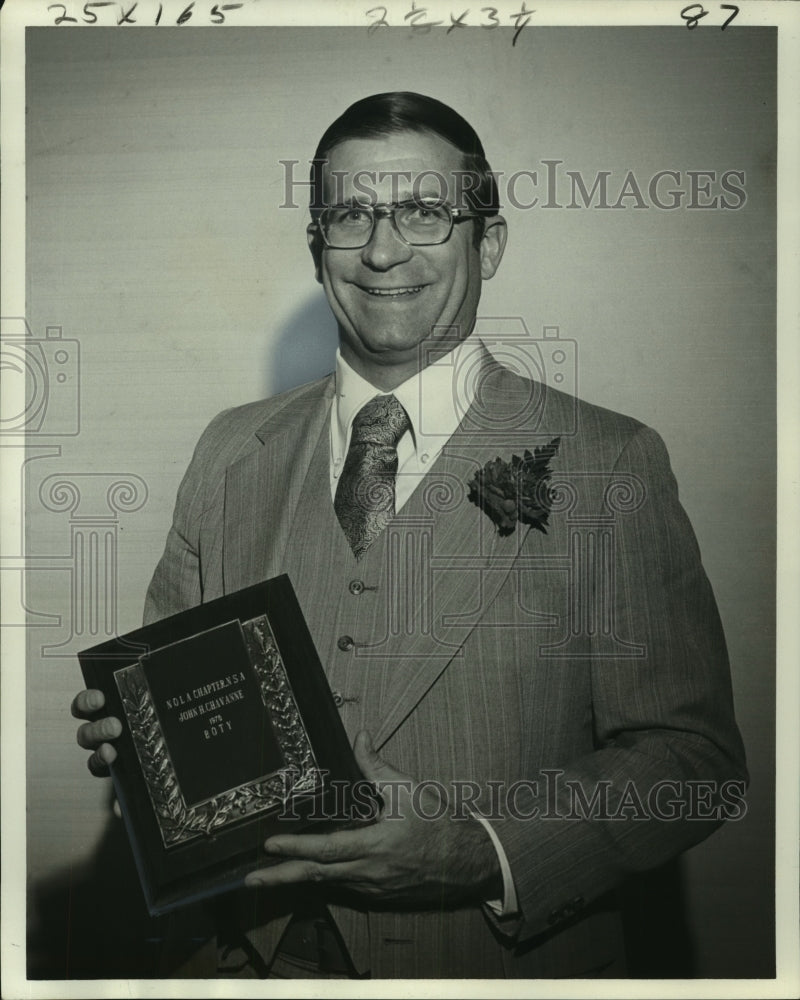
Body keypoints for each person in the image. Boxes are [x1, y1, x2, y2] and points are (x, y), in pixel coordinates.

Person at [72, 91, 747, 979]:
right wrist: (145, 761)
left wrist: (480, 850)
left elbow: (693, 764)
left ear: (488, 243)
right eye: (350, 214)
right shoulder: (230, 450)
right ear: (317, 250)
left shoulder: (610, 461)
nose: (383, 250)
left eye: (424, 212)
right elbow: (183, 742)